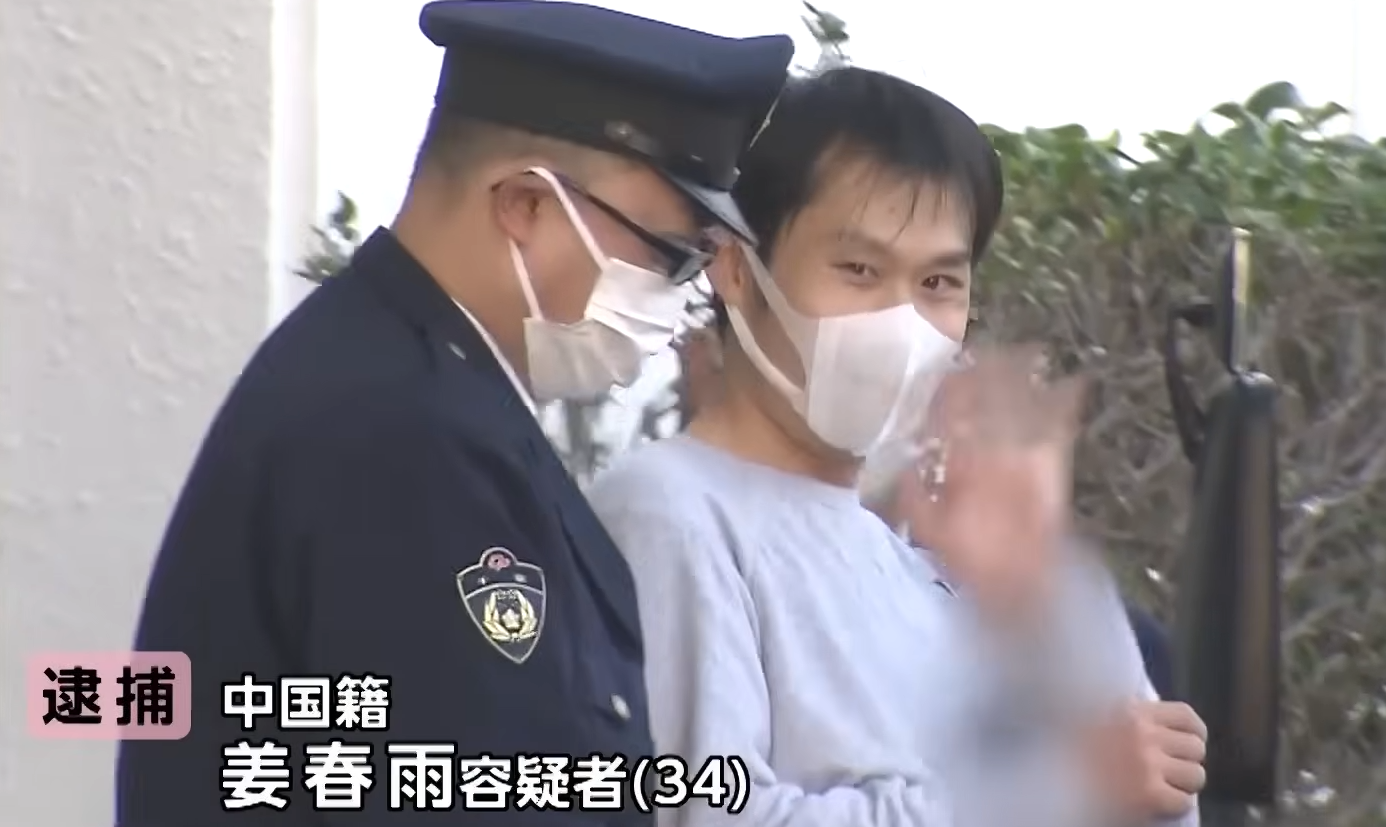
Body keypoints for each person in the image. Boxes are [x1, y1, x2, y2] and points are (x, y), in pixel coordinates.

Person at [117, 2, 792, 823]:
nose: (678, 299)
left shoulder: (411, 377)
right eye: (669, 255)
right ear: (527, 205)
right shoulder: (407, 435)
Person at [586, 65, 1207, 827]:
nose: (902, 321)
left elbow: (1145, 793)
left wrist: (1043, 582)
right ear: (738, 270)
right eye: (859, 270)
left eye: (939, 283)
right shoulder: (671, 513)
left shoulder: (915, 556)